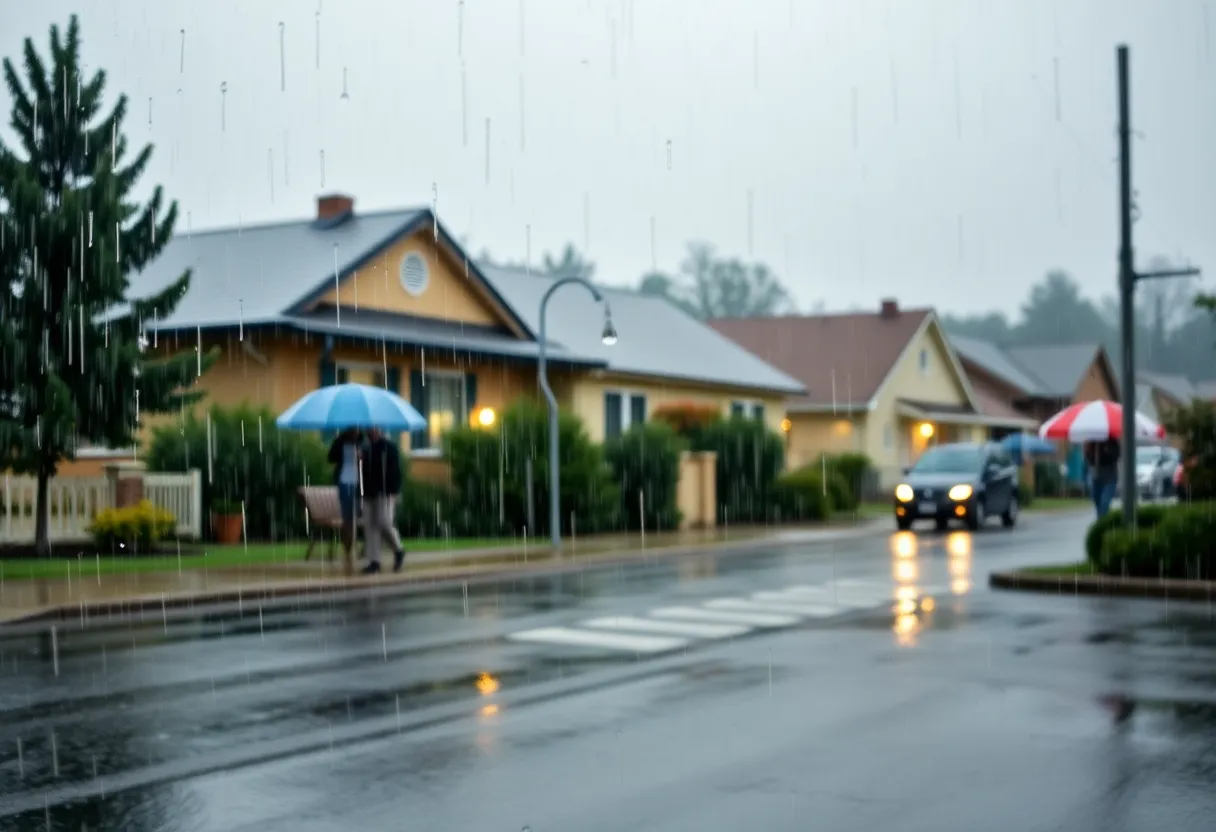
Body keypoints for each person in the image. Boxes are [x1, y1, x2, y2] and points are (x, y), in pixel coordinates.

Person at [360, 427, 406, 575]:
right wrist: (359, 461)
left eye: (375, 428)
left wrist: (393, 491)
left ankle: (398, 549)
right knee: (370, 526)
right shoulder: (364, 447)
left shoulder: (388, 447)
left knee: (384, 522)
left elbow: (395, 471)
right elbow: (362, 472)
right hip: (368, 491)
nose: (372, 431)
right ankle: (374, 561)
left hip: (384, 492)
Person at [327, 427, 363, 574]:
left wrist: (361, 456)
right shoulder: (340, 441)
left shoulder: (363, 442)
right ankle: (348, 547)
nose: (356, 431)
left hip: (359, 483)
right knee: (347, 517)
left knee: (356, 515)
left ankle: (354, 546)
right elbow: (330, 458)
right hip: (344, 482)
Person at [1084, 437, 1121, 519]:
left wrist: (1104, 451)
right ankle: (1101, 519)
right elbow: (1089, 459)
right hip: (1095, 476)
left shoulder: (1112, 441)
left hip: (1109, 477)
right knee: (1097, 502)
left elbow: (1116, 455)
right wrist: (1091, 451)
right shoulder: (1091, 443)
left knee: (1105, 502)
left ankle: (1102, 521)